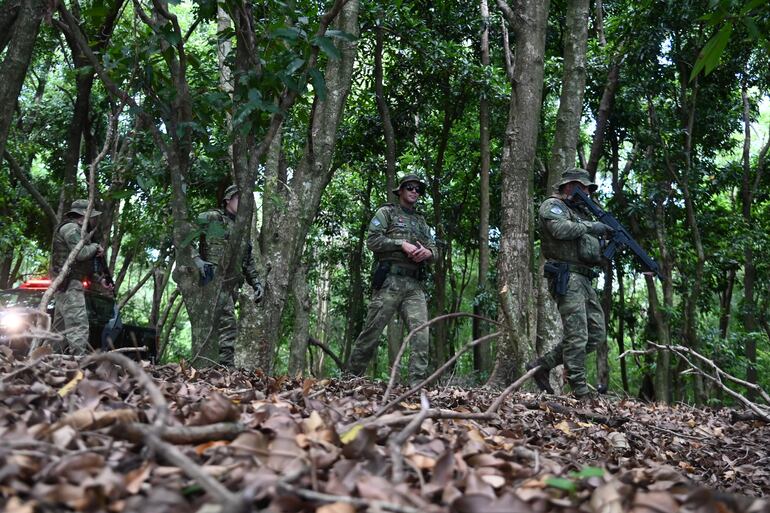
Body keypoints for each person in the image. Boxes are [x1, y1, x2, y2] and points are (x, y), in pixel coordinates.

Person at [527, 168, 614, 399]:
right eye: (583, 187)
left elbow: (588, 247)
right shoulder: (553, 206)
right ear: (570, 186)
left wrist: (605, 243)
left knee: (596, 333)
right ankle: (580, 391)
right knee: (577, 335)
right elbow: (559, 229)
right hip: (566, 276)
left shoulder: (581, 213)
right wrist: (591, 227)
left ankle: (543, 365)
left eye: (587, 188)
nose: (586, 192)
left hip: (584, 278)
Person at [347, 174, 437, 386]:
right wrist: (400, 244)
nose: (414, 191)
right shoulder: (386, 213)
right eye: (410, 187)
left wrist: (428, 254)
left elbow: (435, 250)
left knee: (421, 336)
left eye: (418, 189)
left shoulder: (421, 222)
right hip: (390, 281)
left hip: (414, 285)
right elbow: (373, 240)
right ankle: (349, 380)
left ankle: (416, 386)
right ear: (401, 190)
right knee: (371, 333)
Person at [193, 184, 263, 367]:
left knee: (219, 328)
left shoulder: (241, 229)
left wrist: (256, 283)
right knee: (228, 324)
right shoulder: (212, 218)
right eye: (239, 198)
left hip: (231, 286)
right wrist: (197, 261)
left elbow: (247, 260)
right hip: (212, 282)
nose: (243, 203)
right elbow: (185, 236)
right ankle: (226, 368)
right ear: (227, 200)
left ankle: (211, 369)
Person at [51, 199, 111, 354]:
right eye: (92, 216)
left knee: (59, 331)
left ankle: (44, 362)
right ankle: (78, 365)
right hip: (68, 284)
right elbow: (81, 254)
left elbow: (84, 267)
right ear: (85, 215)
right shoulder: (70, 228)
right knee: (78, 325)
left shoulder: (79, 231)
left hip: (67, 283)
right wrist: (95, 247)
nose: (94, 219)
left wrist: (100, 280)